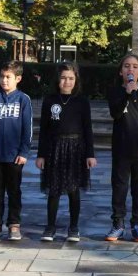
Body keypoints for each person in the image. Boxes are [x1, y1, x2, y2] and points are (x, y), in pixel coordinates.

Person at [36, 62, 96, 242]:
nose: (67, 81)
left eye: (70, 78)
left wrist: (90, 154)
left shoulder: (82, 101)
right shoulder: (50, 100)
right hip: (55, 147)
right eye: (63, 78)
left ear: (76, 80)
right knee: (54, 189)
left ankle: (73, 227)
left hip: (76, 148)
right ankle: (50, 226)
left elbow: (88, 129)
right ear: (58, 79)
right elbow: (44, 130)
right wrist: (41, 154)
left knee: (73, 190)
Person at [105, 53, 138, 242]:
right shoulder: (115, 92)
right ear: (121, 71)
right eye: (127, 66)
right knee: (119, 187)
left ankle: (137, 223)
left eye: (135, 67)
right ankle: (118, 223)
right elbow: (116, 113)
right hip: (121, 149)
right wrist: (127, 93)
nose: (131, 70)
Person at [0, 60, 33, 241]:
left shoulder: (23, 99)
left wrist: (24, 152)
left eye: (8, 77)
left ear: (18, 78)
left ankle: (14, 224)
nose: (4, 80)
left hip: (14, 157)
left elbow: (28, 128)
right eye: (2, 77)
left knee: (14, 191)